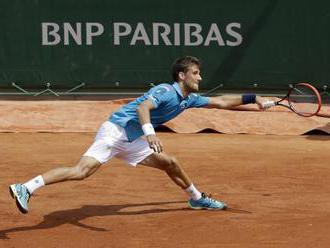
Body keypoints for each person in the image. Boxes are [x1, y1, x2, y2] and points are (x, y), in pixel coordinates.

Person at [9, 56, 268, 214]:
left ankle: (197, 199)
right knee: (81, 171)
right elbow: (144, 107)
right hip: (117, 131)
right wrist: (150, 133)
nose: (200, 77)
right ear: (182, 75)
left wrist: (254, 98)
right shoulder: (166, 90)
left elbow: (222, 102)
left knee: (170, 162)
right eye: (195, 73)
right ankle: (27, 187)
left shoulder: (190, 99)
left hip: (132, 139)